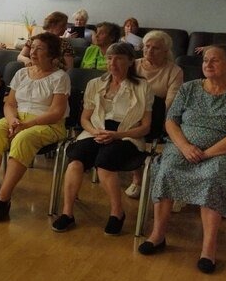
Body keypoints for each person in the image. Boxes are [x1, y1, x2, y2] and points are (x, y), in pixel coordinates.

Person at [138, 45, 226, 274]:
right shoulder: (189, 88)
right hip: (183, 146)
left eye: (215, 60)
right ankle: (158, 235)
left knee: (213, 177)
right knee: (166, 169)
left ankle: (208, 248)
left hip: (223, 152)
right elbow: (171, 121)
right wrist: (185, 146)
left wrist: (207, 154)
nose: (208, 64)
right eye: (206, 60)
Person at [51, 43, 152, 234]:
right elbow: (85, 118)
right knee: (76, 161)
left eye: (119, 58)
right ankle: (67, 212)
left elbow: (145, 127)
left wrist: (117, 135)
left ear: (131, 61)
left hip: (126, 135)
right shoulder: (95, 84)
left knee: (104, 163)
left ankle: (117, 212)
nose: (113, 63)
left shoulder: (142, 86)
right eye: (109, 58)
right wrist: (95, 131)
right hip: (96, 131)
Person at [0, 32, 70, 221]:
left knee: (22, 139)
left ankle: (3, 198)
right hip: (17, 119)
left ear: (52, 54)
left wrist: (27, 125)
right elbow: (10, 104)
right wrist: (13, 120)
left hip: (47, 122)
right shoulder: (21, 73)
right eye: (32, 47)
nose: (33, 52)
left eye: (39, 49)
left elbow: (56, 112)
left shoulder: (60, 77)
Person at [124, 30, 184, 198]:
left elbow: (170, 101)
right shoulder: (133, 65)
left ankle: (140, 179)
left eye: (155, 48)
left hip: (157, 117)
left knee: (137, 131)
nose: (149, 51)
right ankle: (136, 176)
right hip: (128, 113)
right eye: (147, 46)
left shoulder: (174, 71)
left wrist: (146, 116)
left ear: (166, 51)